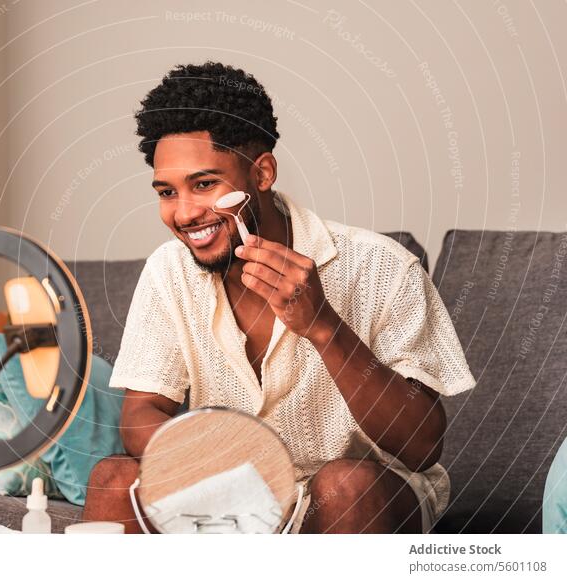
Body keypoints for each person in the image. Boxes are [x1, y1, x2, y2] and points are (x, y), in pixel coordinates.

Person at [82, 62, 476, 533]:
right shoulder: (169, 272)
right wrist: (221, 466)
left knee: (343, 485)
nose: (184, 213)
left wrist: (324, 326)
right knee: (113, 478)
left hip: (367, 492)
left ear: (263, 172)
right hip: (227, 488)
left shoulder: (382, 266)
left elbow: (421, 445)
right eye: (167, 191)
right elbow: (141, 414)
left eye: (205, 184)